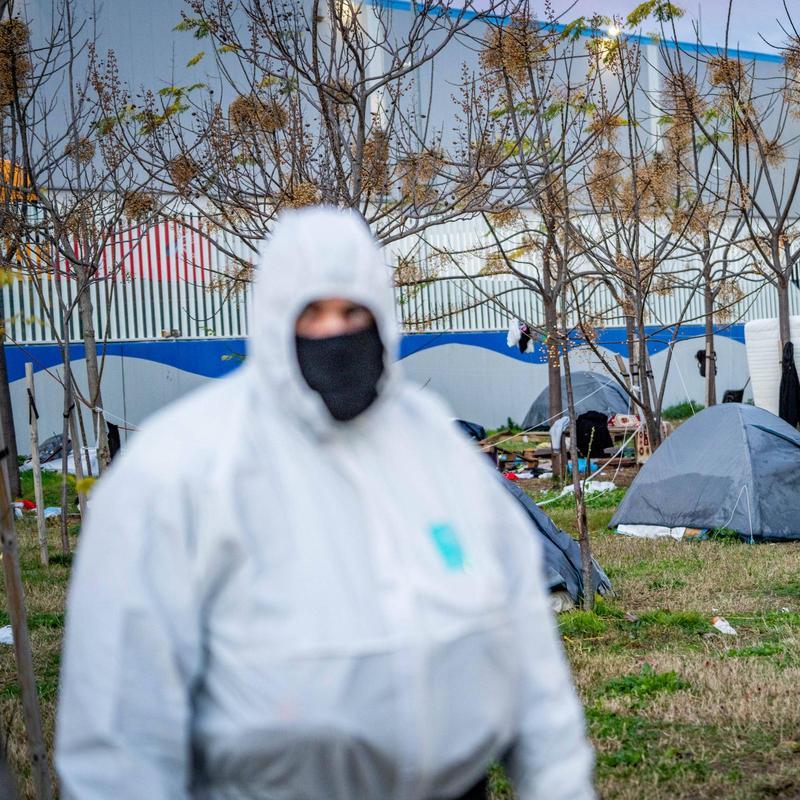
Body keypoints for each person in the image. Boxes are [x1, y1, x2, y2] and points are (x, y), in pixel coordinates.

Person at [56, 207, 595, 800]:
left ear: (382, 316)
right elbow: (119, 729)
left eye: (352, 311)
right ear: (271, 319)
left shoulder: (437, 451)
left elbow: (530, 666)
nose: (334, 334)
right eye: (311, 313)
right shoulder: (182, 468)